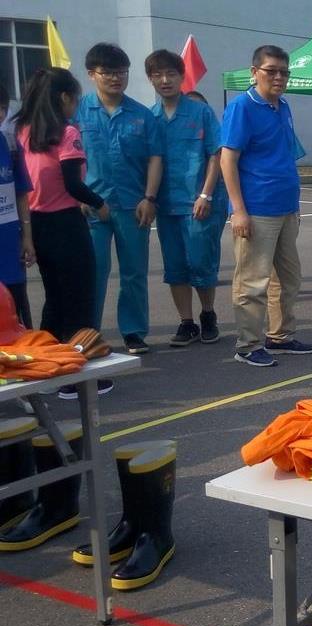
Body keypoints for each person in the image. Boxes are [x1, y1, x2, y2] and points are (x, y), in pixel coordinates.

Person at [13, 68, 114, 397]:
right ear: (64, 98)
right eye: (75, 99)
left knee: (55, 298)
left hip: (36, 223)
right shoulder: (66, 133)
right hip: (66, 224)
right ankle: (77, 376)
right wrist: (99, 203)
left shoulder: (22, 131)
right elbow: (72, 183)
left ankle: (45, 367)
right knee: (80, 299)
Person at [221, 44, 312, 367]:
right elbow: (228, 160)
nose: (278, 78)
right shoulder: (242, 107)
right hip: (257, 209)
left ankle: (280, 336)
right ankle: (248, 344)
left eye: (284, 72)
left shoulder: (282, 106)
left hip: (286, 207)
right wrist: (238, 210)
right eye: (271, 71)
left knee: (288, 278)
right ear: (254, 72)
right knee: (252, 281)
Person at [76, 43, 162, 355]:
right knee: (93, 273)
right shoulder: (77, 113)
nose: (116, 78)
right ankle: (89, 335)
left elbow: (155, 158)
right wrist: (77, 195)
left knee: (134, 272)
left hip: (132, 205)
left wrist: (149, 197)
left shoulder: (141, 114)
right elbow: (66, 159)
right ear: (91, 74)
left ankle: (134, 332)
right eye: (108, 72)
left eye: (121, 72)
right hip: (90, 206)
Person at [144, 49, 226, 348]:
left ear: (181, 77)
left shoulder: (200, 112)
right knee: (175, 266)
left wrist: (205, 193)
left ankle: (208, 315)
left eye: (171, 74)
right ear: (151, 79)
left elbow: (215, 154)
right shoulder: (149, 117)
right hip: (167, 205)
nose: (165, 80)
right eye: (157, 75)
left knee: (201, 263)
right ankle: (186, 322)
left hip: (198, 203)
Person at [0, 82, 33, 330]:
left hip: (9, 244)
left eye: (1, 107)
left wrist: (27, 238)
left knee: (16, 315)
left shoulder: (10, 144)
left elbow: (21, 194)